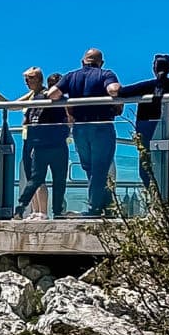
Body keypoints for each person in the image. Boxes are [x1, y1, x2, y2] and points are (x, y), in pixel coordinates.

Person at [0, 66, 69, 216]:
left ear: (39, 79)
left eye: (30, 78)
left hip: (41, 140)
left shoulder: (46, 95)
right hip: (28, 139)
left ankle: (43, 211)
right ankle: (35, 210)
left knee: (40, 177)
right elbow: (13, 106)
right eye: (26, 78)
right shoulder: (31, 95)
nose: (27, 81)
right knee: (31, 176)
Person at [57, 46, 122, 213]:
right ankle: (95, 207)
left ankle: (104, 205)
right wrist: (116, 100)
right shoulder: (105, 74)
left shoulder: (71, 76)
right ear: (101, 63)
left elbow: (52, 94)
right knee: (101, 167)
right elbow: (114, 89)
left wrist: (69, 102)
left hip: (79, 128)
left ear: (82, 61)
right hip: (101, 126)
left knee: (90, 167)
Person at [120, 53, 169, 190]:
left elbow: (122, 92)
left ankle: (152, 194)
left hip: (146, 128)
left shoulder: (145, 86)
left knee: (146, 165)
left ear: (154, 69)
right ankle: (168, 198)